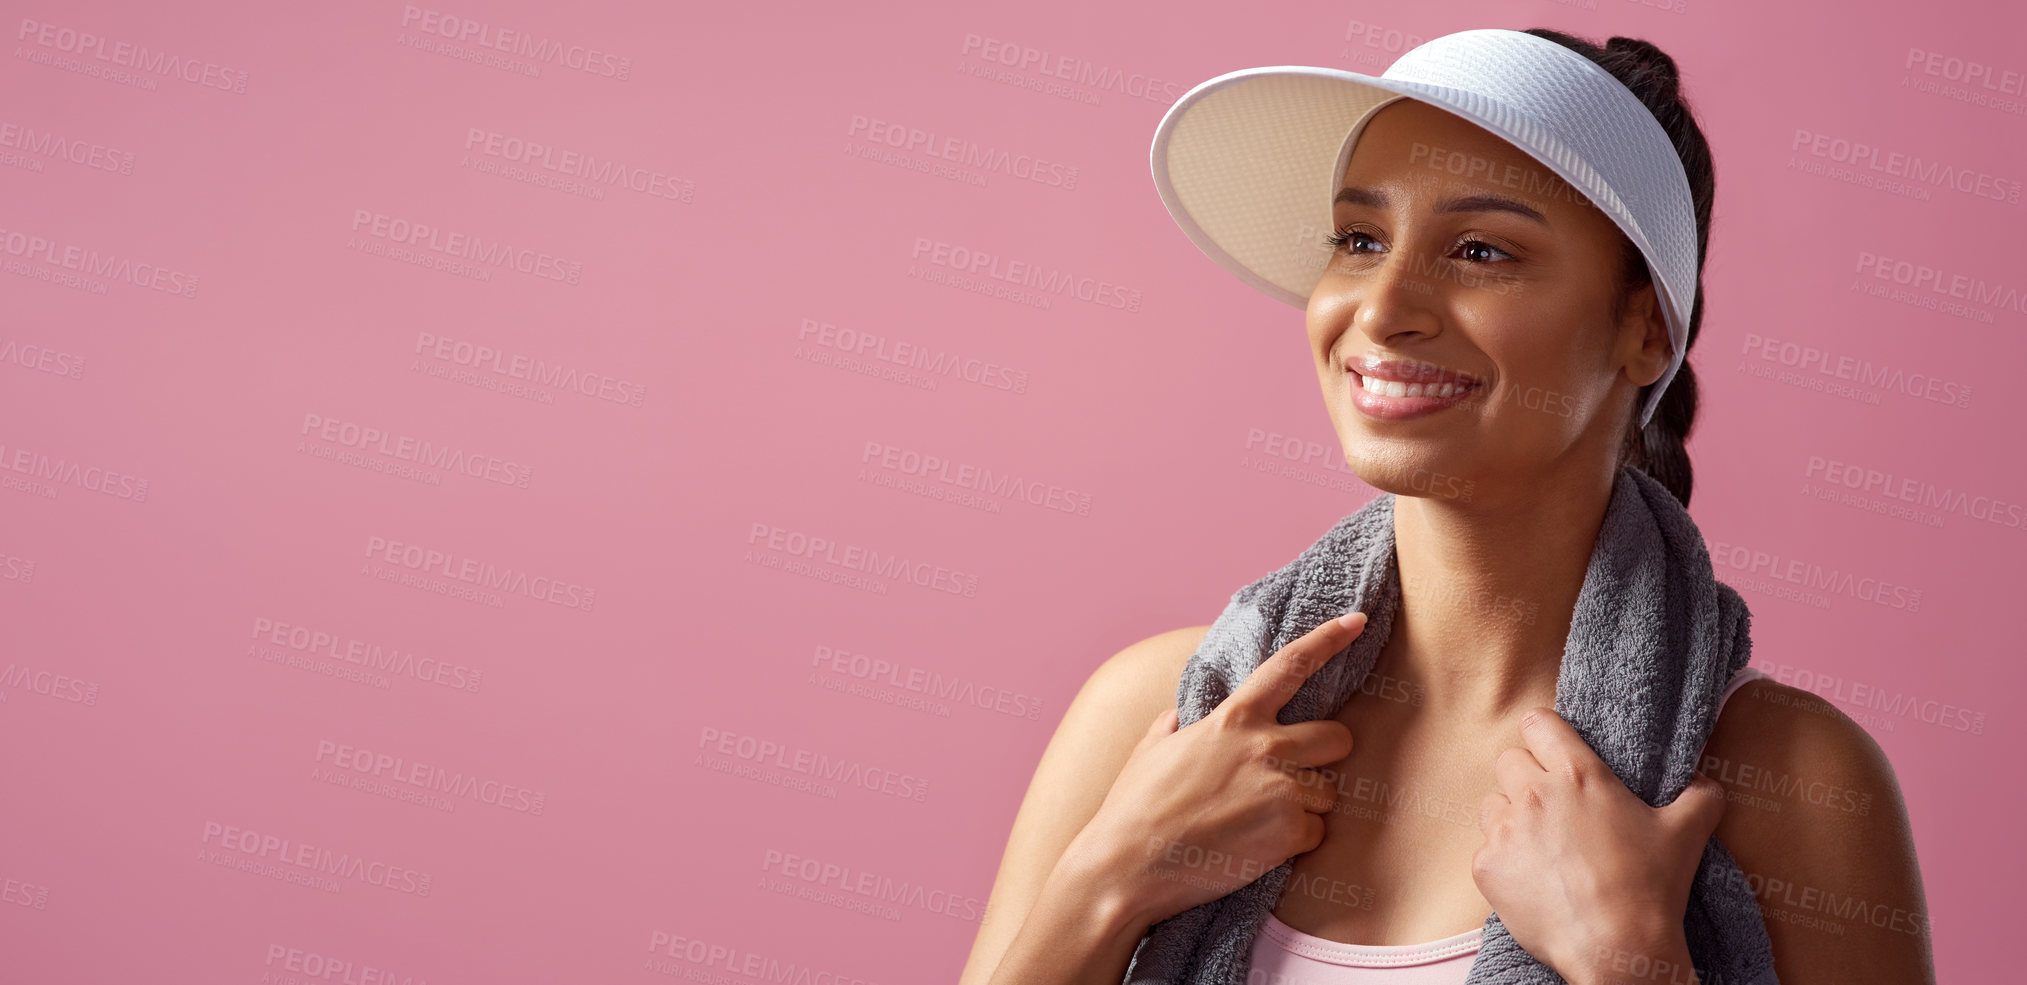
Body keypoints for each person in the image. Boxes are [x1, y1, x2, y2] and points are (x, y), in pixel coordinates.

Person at [957, 27, 1934, 985]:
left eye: (1477, 249)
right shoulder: (1156, 718)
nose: (1381, 308)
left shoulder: (1787, 778)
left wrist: (1629, 961)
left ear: (1642, 326)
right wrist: (1105, 886)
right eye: (1357, 239)